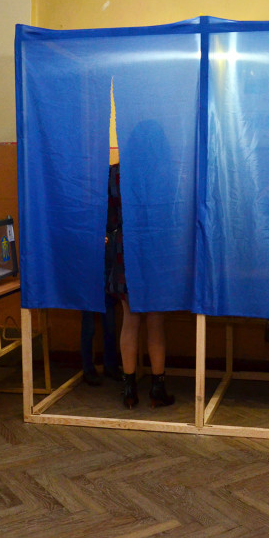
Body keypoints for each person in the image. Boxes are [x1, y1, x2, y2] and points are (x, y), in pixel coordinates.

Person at [105, 163, 173, 410]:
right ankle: (157, 389)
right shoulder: (161, 169)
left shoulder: (115, 173)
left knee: (130, 319)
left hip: (126, 247)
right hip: (156, 245)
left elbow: (110, 218)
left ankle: (129, 390)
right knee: (155, 320)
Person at [79, 301, 121, 386]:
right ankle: (88, 369)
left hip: (101, 294)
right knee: (89, 328)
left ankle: (109, 366)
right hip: (89, 294)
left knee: (109, 326)